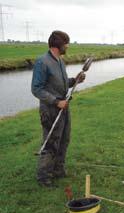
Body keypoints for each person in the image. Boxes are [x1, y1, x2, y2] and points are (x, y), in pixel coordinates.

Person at [31, 30, 85, 187]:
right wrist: (55, 101)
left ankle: (58, 170)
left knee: (64, 139)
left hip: (63, 107)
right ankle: (43, 177)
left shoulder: (60, 61)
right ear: (59, 44)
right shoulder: (42, 62)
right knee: (51, 142)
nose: (68, 46)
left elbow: (61, 83)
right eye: (66, 43)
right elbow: (36, 89)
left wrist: (75, 80)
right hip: (50, 110)